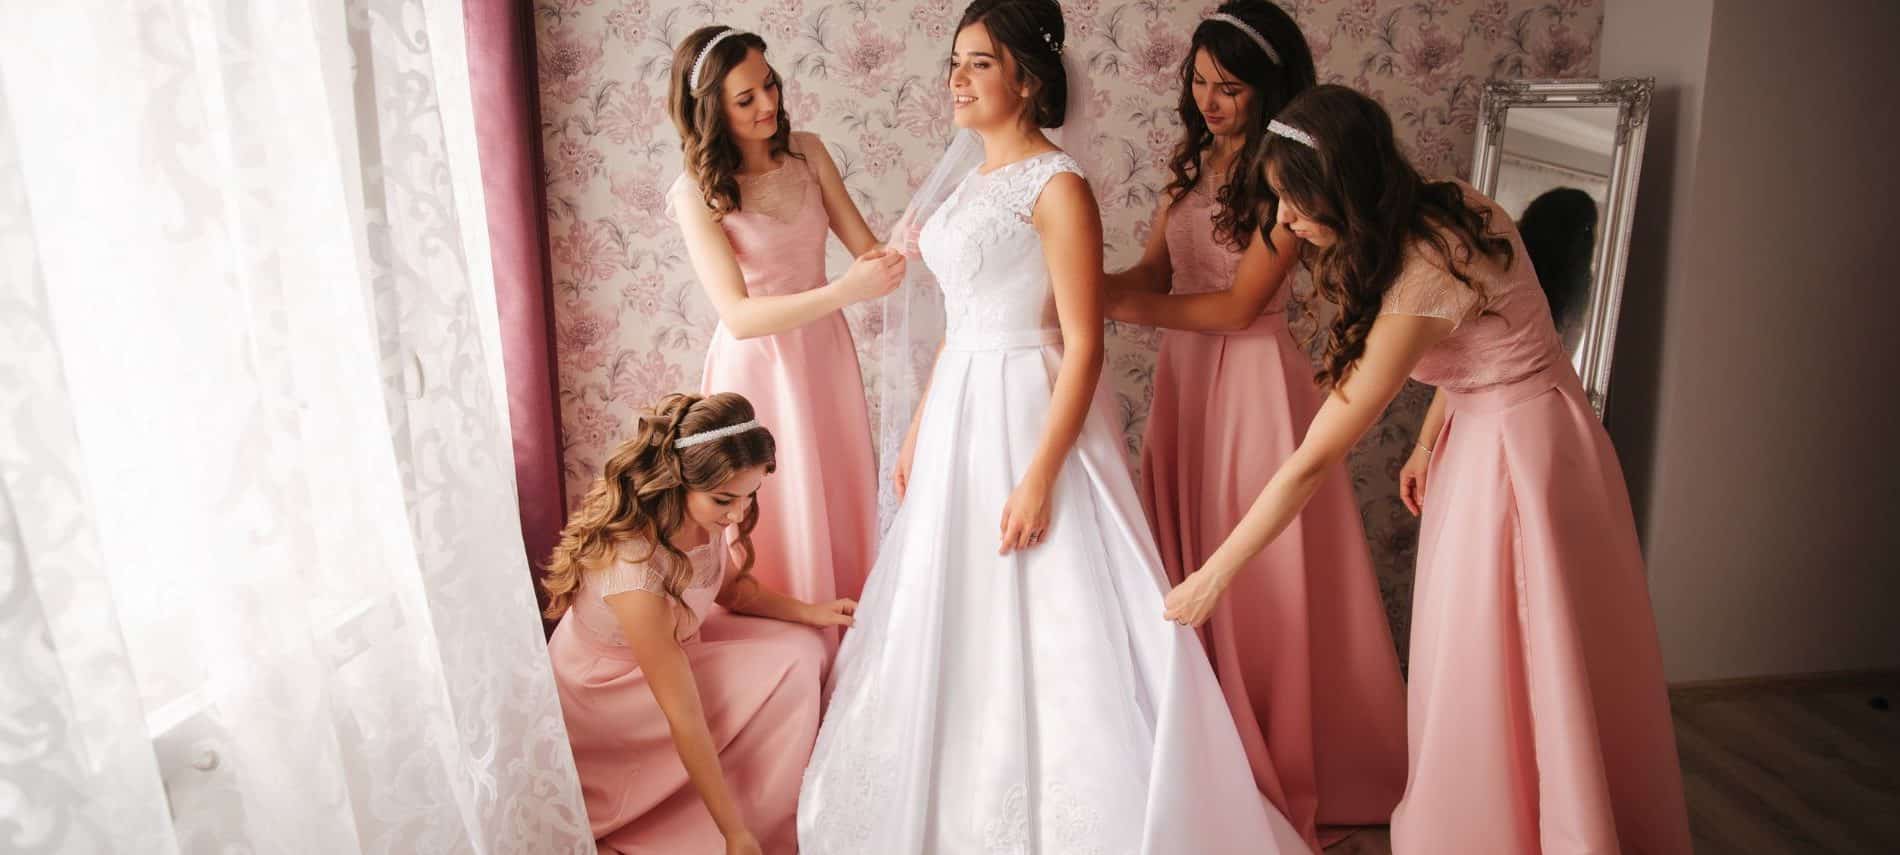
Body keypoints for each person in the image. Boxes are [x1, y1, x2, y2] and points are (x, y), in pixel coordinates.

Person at [1164, 85, 1693, 854]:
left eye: (1292, 203)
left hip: (1518, 456)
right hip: (1520, 430)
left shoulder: (1422, 276)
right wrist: (1424, 442)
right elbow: (1489, 334)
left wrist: (1214, 575)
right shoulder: (1447, 205)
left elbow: (1315, 456)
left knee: (1510, 654)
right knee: (1496, 656)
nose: (1284, 223)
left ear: (1339, 189)